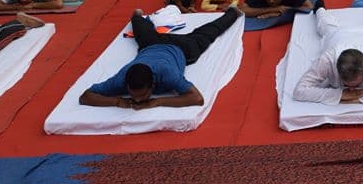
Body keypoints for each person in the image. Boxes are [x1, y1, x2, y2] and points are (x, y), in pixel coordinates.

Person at [78, 7, 243, 108]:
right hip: (151, 45)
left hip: (181, 48)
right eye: (133, 95)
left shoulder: (167, 74)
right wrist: (118, 102)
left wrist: (157, 102)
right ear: (126, 86)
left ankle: (233, 12)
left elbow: (197, 98)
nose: (136, 100)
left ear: (153, 85)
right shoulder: (121, 79)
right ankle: (137, 15)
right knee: (139, 26)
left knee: (207, 33)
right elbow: (85, 96)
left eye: (142, 96)